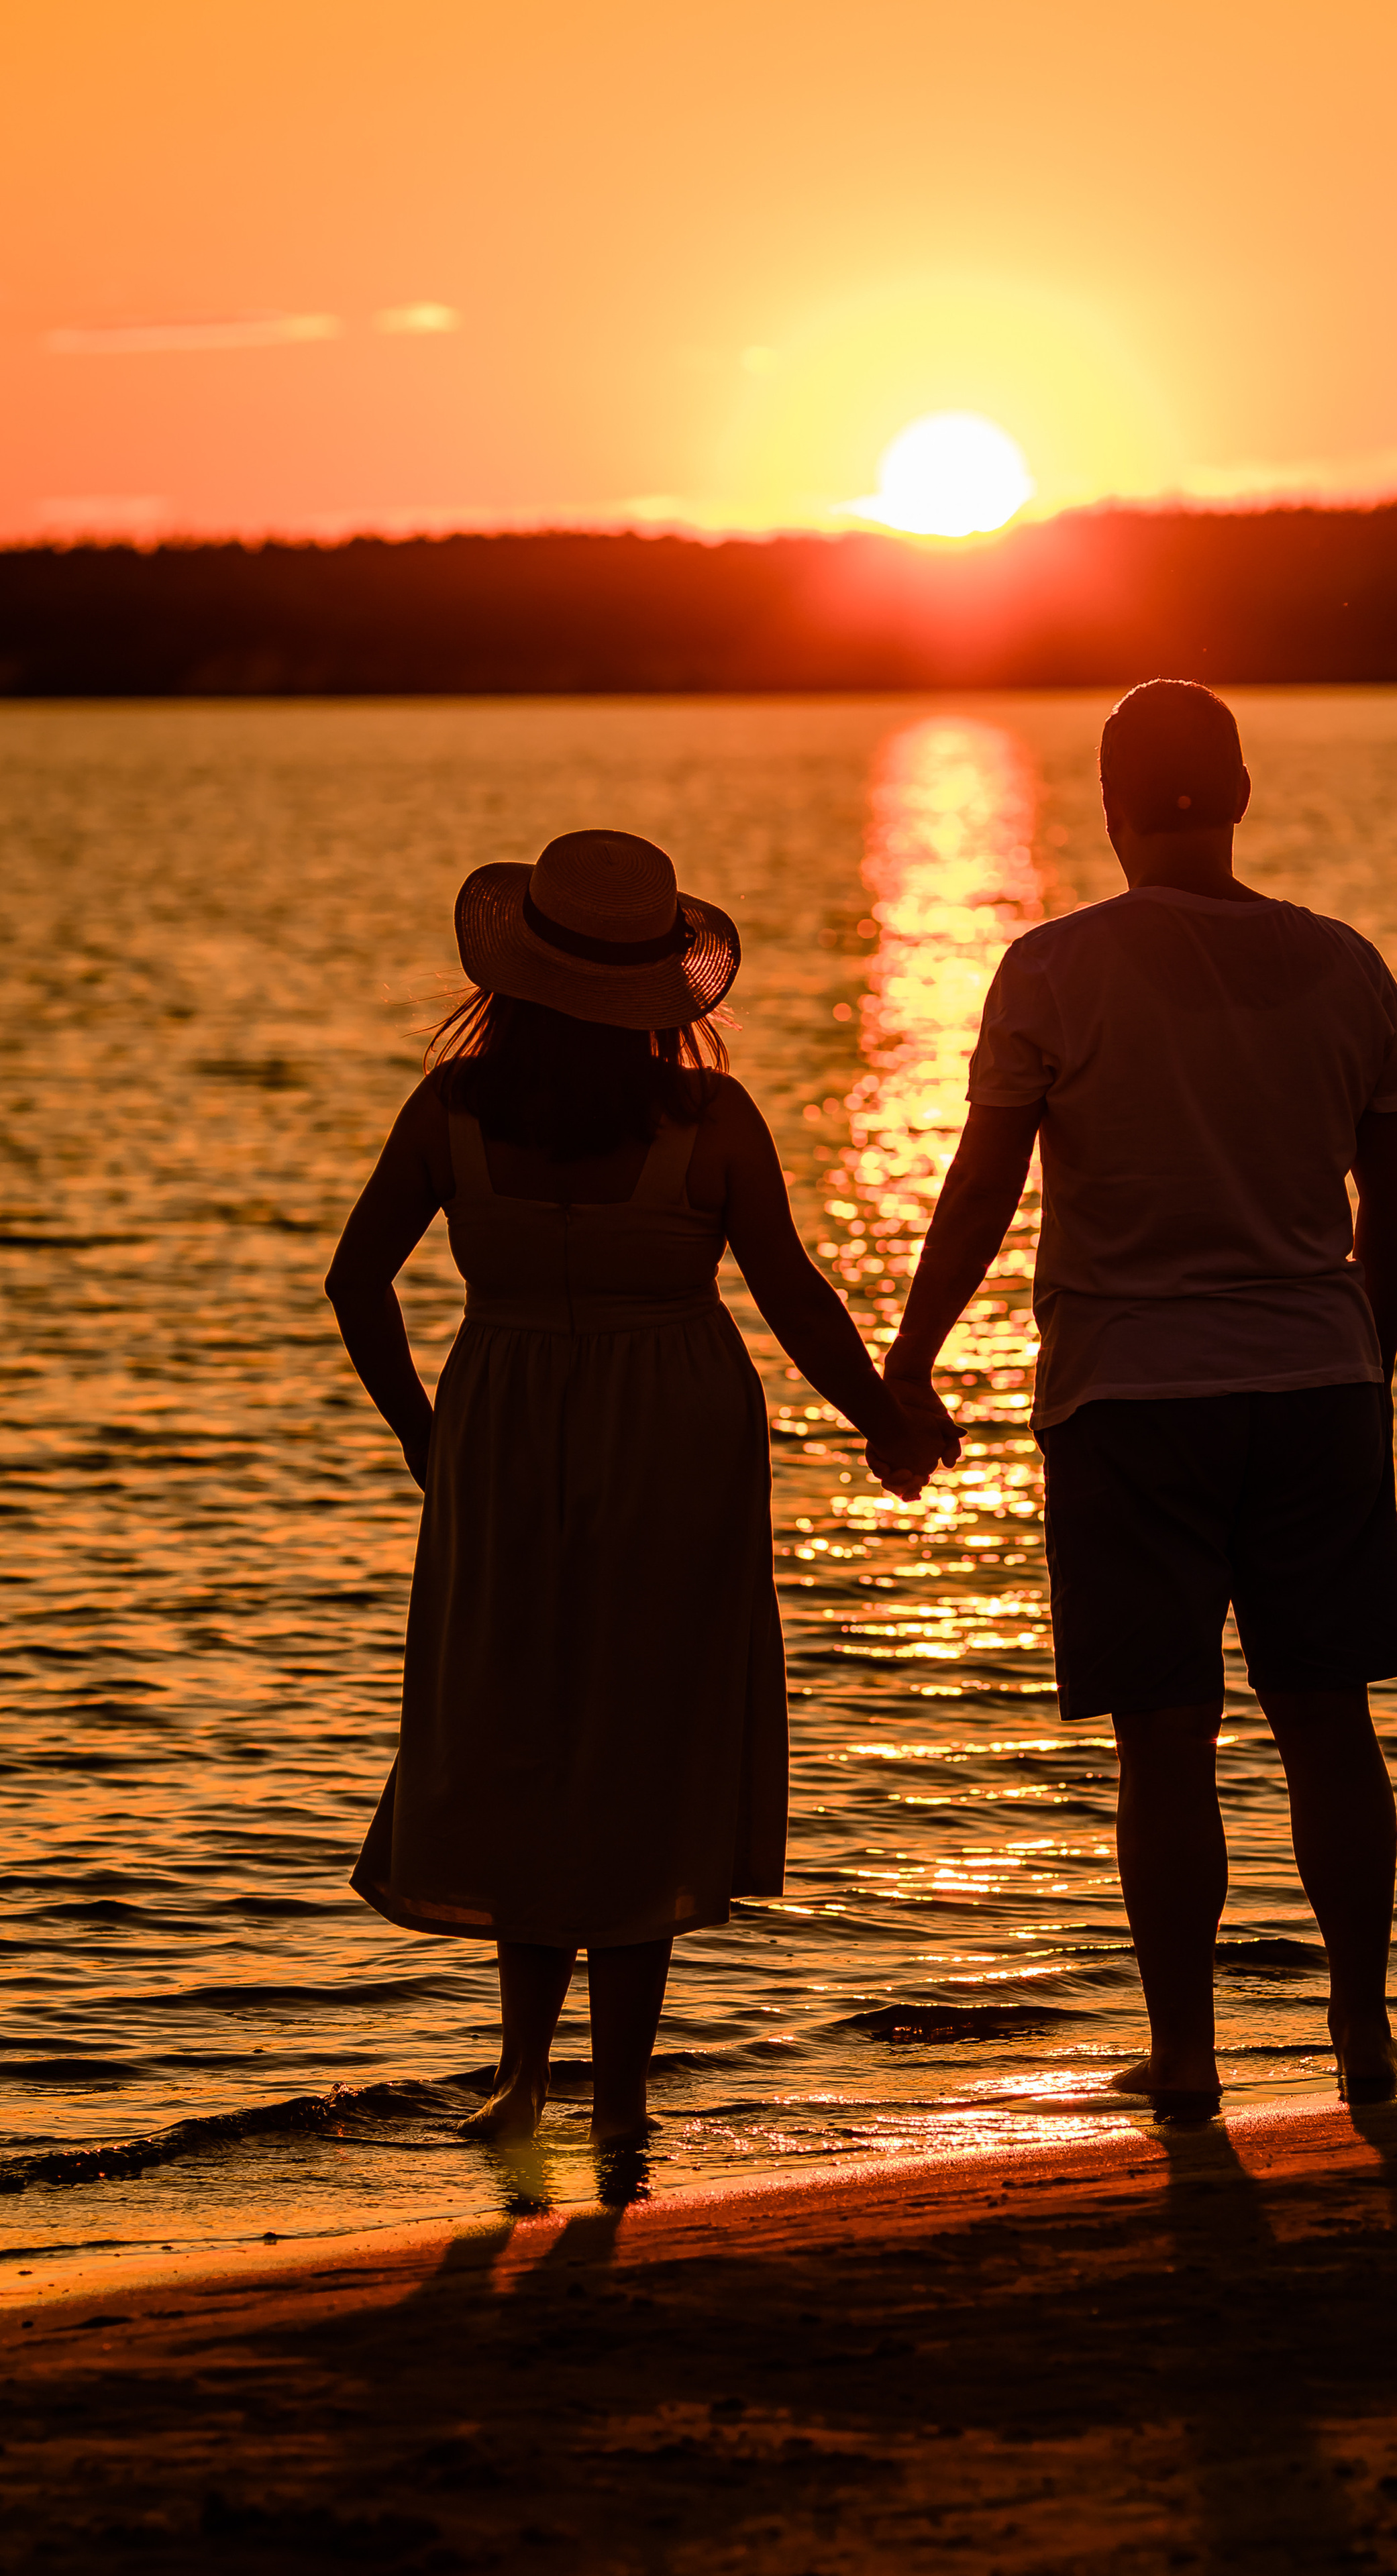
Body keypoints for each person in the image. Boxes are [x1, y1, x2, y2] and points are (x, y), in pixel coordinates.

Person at [329, 830, 948, 2147]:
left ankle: (521, 2077)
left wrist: (420, 1433)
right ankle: (614, 2094)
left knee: (520, 1734)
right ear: (658, 992)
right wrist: (883, 1423)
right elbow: (792, 1296)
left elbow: (356, 1283)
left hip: (500, 1425)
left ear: (516, 976)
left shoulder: (451, 1112)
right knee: (640, 1749)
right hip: (672, 1429)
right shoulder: (708, 1124)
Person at [876, 682, 1397, 2108]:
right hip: (1311, 1381)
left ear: (1110, 805)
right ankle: (1359, 2036)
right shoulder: (1343, 967)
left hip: (1127, 1398)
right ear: (1239, 792)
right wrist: (1360, 1353)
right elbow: (1396, 1201)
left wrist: (908, 1361)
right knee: (1327, 1723)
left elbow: (984, 1187)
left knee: (1163, 1743)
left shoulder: (1053, 970)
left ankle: (1183, 2059)